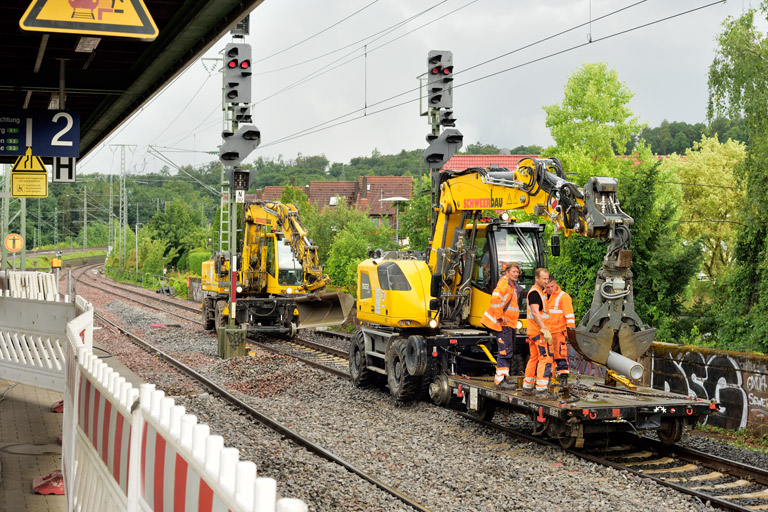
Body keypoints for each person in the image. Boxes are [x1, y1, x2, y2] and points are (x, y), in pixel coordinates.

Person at [481, 262, 520, 390]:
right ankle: (500, 380)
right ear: (507, 272)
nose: (516, 274)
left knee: (507, 350)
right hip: (503, 323)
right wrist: (499, 315)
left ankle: (503, 377)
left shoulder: (511, 285)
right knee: (504, 351)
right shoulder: (504, 284)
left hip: (509, 323)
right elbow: (495, 299)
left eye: (517, 272)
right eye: (514, 271)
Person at [521, 268, 554, 398]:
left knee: (534, 358)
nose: (546, 281)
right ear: (537, 278)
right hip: (539, 332)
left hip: (533, 332)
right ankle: (541, 390)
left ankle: (527, 387)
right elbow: (535, 312)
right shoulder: (535, 293)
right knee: (545, 358)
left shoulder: (540, 292)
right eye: (544, 279)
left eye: (547, 278)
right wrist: (544, 329)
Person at [546, 274, 576, 388]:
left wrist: (569, 331)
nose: (549, 289)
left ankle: (563, 379)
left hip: (558, 332)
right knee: (546, 357)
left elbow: (570, 316)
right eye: (547, 287)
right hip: (547, 333)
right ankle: (548, 378)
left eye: (551, 286)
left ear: (555, 284)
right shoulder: (543, 295)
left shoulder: (564, 297)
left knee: (560, 356)